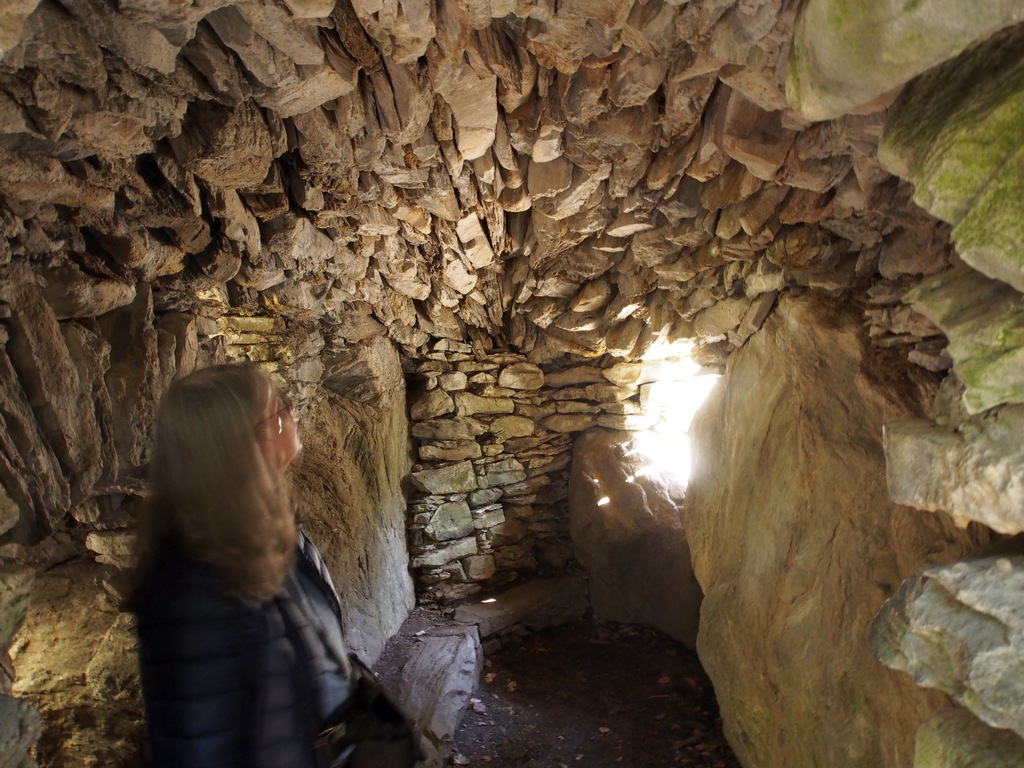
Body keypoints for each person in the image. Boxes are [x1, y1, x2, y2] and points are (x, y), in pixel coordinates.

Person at [128, 363, 354, 768]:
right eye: (280, 406)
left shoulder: (262, 530)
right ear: (249, 440)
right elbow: (199, 744)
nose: (292, 415)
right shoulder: (193, 590)